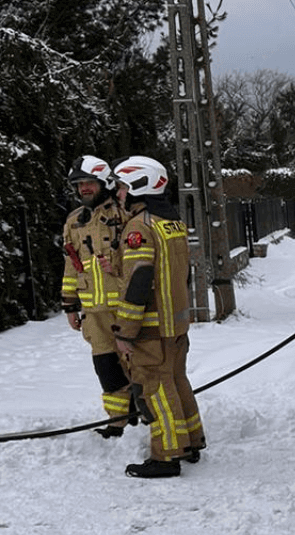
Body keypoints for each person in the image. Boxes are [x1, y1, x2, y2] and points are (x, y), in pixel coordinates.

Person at [109, 155, 206, 478]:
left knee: (155, 389)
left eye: (123, 187)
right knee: (177, 382)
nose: (119, 194)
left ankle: (166, 456)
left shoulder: (139, 226)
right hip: (176, 324)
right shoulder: (173, 223)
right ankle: (191, 441)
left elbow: (140, 280)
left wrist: (124, 332)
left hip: (151, 329)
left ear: (140, 185)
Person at [60, 155, 131, 438]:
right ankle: (117, 422)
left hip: (127, 308)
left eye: (89, 182)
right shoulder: (74, 221)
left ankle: (148, 416)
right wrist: (69, 304)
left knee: (138, 365)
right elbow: (70, 265)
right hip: (94, 313)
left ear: (104, 182)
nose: (84, 189)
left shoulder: (125, 214)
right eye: (79, 184)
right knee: (106, 368)